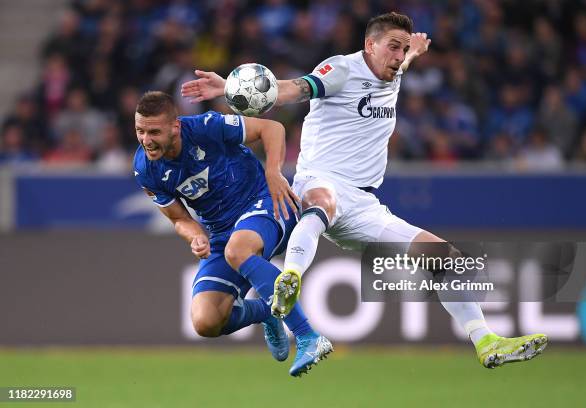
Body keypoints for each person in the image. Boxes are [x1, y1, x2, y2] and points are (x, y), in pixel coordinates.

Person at [181, 12, 548, 369]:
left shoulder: (394, 68)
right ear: (369, 45)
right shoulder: (341, 69)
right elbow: (295, 89)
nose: (399, 57)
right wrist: (232, 88)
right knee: (322, 202)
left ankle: (485, 341)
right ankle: (288, 278)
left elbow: (405, 61)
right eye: (393, 48)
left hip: (363, 203)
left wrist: (416, 49)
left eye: (403, 50)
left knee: (445, 257)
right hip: (318, 179)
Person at [132, 91, 332, 377]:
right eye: (140, 131)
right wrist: (194, 236)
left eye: (154, 132)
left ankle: (307, 336)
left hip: (265, 202)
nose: (146, 140)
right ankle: (266, 311)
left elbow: (271, 128)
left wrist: (273, 172)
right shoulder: (145, 169)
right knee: (206, 321)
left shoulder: (205, 127)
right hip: (221, 233)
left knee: (237, 250)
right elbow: (178, 218)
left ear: (175, 127)